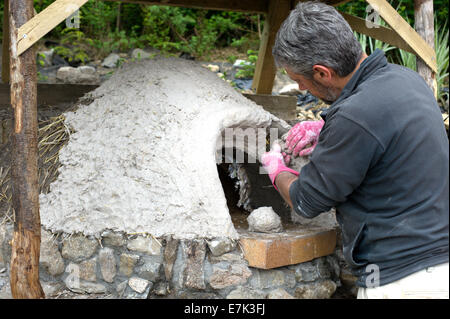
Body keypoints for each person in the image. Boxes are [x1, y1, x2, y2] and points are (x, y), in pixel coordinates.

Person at [260, 1, 449, 299]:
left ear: (322, 73)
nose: (300, 90)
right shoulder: (408, 80)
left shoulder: (353, 115)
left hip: (402, 281)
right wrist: (326, 132)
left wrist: (275, 168)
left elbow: (307, 202)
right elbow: (387, 136)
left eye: (300, 80)